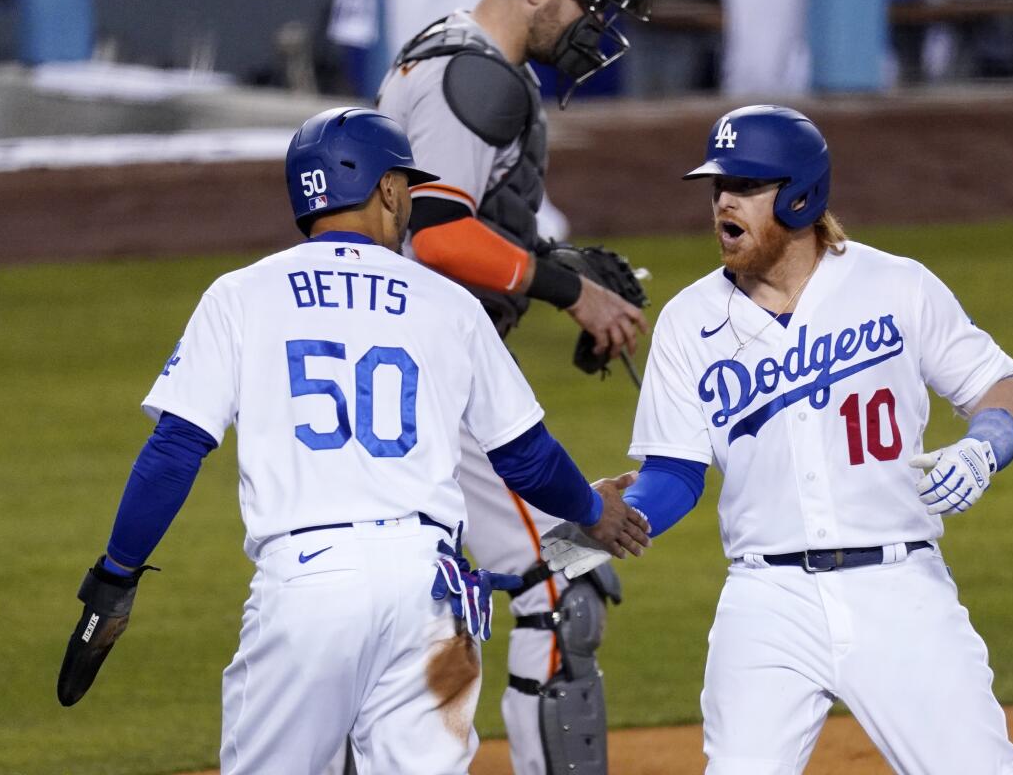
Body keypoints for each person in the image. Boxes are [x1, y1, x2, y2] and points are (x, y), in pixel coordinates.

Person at [54, 107, 650, 775]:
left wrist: (117, 574)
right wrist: (595, 511)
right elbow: (526, 456)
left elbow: (174, 451)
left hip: (309, 588)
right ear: (388, 190)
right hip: (433, 597)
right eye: (406, 185)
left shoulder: (241, 294)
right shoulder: (447, 302)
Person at [545, 104, 1013, 773]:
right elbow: (676, 474)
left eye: (747, 187)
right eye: (718, 187)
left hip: (900, 590)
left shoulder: (894, 286)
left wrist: (984, 445)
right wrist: (591, 526)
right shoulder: (690, 321)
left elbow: (1007, 385)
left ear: (803, 195)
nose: (725, 201)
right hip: (767, 604)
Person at [375, 0, 654, 774]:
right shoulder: (477, 78)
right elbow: (437, 237)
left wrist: (554, 272)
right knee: (559, 587)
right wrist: (574, 291)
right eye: (586, 6)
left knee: (424, 607)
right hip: (436, 375)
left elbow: (449, 229)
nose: (593, 30)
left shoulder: (443, 53)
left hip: (401, 369)